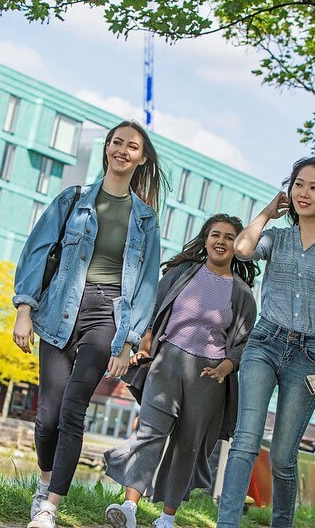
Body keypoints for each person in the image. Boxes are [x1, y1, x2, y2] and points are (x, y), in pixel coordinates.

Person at [12, 120, 168, 528]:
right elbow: (37, 250)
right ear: (107, 148)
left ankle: (50, 508)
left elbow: (148, 282)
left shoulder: (146, 220)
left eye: (131, 146)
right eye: (116, 142)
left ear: (142, 157)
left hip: (107, 314)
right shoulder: (73, 199)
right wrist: (24, 309)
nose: (122, 150)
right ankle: (43, 486)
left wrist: (128, 341)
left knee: (73, 411)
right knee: (48, 416)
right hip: (61, 305)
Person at [217, 157, 315, 528]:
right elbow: (242, 249)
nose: (303, 193)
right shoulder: (278, 237)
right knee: (245, 440)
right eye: (298, 184)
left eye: (314, 187)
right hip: (265, 343)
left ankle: (281, 524)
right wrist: (268, 213)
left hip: (310, 354)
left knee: (284, 457)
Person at [103, 214, 258, 528]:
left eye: (230, 237)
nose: (221, 241)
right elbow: (151, 309)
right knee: (149, 433)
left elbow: (243, 343)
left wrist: (226, 367)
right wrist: (143, 346)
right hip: (167, 364)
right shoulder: (181, 273)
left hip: (209, 377)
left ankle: (166, 519)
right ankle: (129, 509)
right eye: (216, 234)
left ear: (238, 246)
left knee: (188, 445)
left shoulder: (242, 294)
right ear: (205, 239)